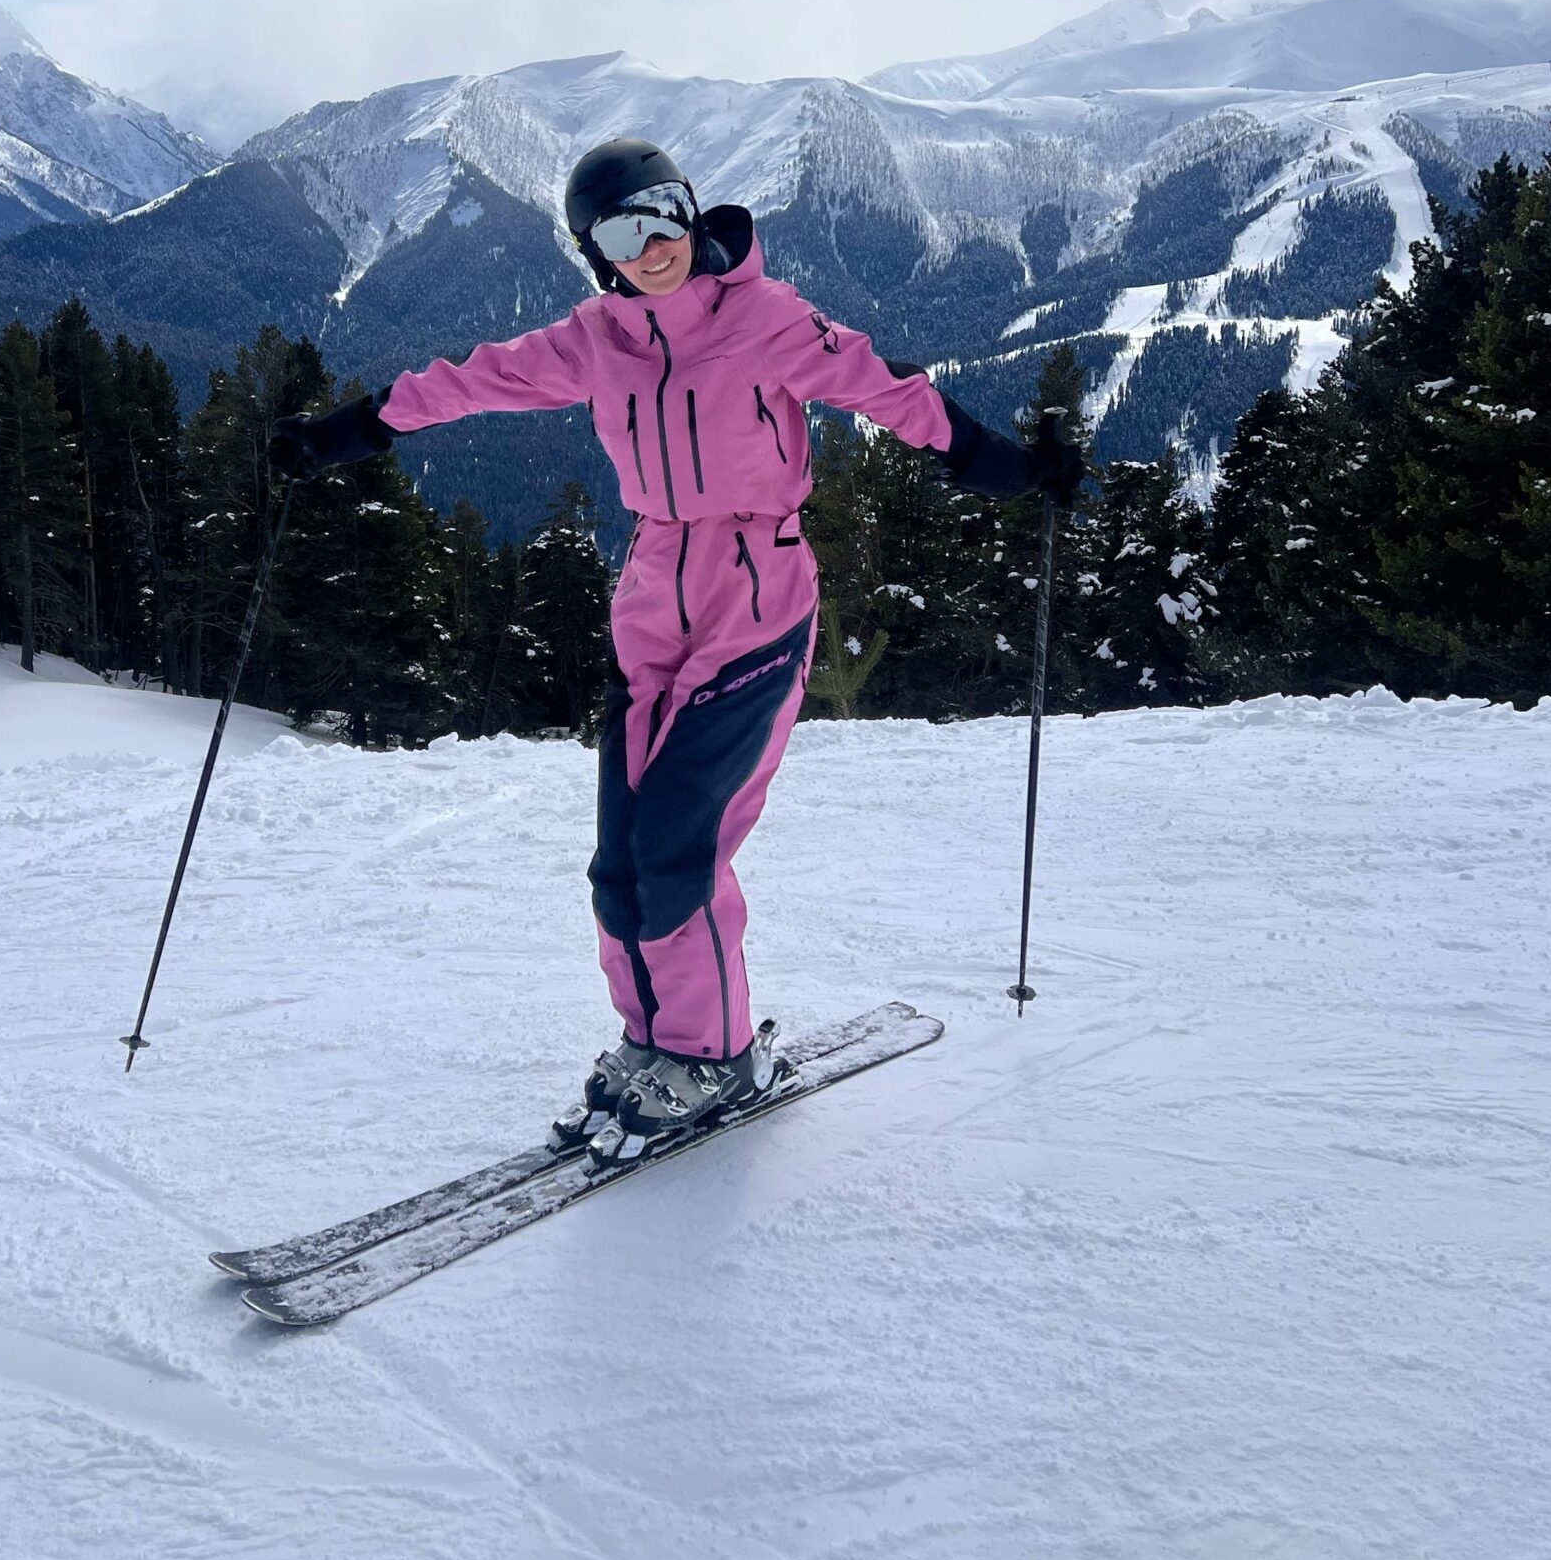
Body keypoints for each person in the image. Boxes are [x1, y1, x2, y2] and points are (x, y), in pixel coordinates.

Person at [269, 140, 1081, 1158]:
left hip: (758, 595)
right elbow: (470, 382)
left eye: (662, 217)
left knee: (681, 850)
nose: (651, 246)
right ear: (592, 253)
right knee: (621, 865)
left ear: (691, 212)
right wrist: (339, 434)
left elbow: (888, 391)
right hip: (653, 597)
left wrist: (1008, 468)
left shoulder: (767, 318)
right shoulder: (594, 340)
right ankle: (655, 1042)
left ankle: (717, 1053)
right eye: (620, 231)